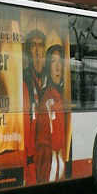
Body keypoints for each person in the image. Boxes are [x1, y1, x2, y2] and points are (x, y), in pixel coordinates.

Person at [40, 45, 69, 182]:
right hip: (54, 155)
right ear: (48, 68)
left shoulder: (65, 93)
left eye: (61, 62)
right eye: (53, 62)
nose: (58, 67)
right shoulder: (48, 98)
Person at [22, 29, 47, 185]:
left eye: (40, 45)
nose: (37, 51)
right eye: (33, 46)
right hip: (32, 153)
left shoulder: (51, 80)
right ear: (28, 51)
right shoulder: (23, 79)